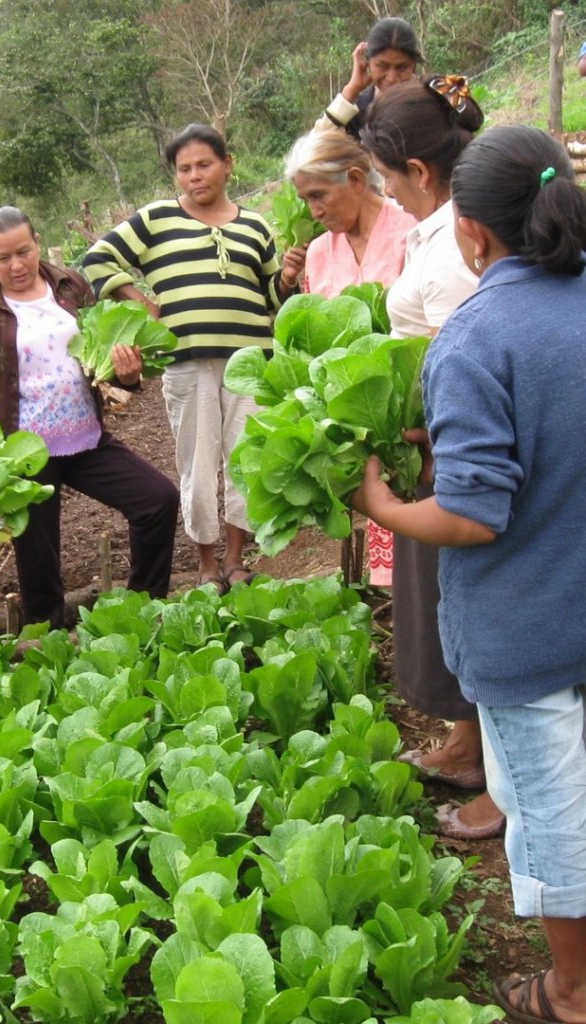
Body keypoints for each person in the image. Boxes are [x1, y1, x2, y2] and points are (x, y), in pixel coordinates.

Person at [352, 124, 586, 1024]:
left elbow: (472, 515)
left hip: (527, 626)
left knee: (551, 815)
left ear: (474, 234)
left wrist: (378, 508)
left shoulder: (475, 335)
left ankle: (570, 992)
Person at [360, 75, 505, 840]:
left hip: (457, 453)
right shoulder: (435, 227)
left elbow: (470, 364)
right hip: (432, 446)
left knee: (471, 602)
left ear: (417, 171)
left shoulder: (455, 244)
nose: (383, 187)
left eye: (386, 173)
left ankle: (499, 776)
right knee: (441, 602)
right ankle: (467, 741)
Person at [0, 206, 178, 629]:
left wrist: (128, 377)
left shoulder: (70, 285)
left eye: (23, 251)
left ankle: (144, 611)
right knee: (37, 558)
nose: (16, 265)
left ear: (37, 242)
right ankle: (47, 641)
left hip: (85, 438)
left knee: (157, 500)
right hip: (26, 453)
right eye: (3, 258)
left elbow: (106, 355)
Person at [82, 124, 282, 591]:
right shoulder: (156, 220)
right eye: (185, 168)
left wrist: (289, 275)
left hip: (250, 361)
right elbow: (96, 258)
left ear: (227, 164)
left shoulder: (255, 225)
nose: (195, 176)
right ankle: (207, 563)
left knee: (244, 457)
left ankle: (236, 557)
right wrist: (137, 299)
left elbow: (273, 295)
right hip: (187, 362)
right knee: (197, 459)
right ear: (175, 175)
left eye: (204, 164)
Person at [280, 129, 416, 587]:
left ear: (356, 179)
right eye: (305, 199)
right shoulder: (319, 252)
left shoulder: (411, 230)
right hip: (363, 419)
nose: (314, 211)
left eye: (319, 195)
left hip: (415, 410)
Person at [315, 17, 422, 139]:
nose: (392, 78)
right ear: (368, 63)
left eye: (402, 67)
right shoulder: (357, 111)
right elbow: (314, 149)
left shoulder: (433, 102)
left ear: (413, 65)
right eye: (382, 66)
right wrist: (350, 91)